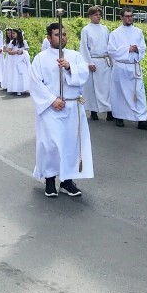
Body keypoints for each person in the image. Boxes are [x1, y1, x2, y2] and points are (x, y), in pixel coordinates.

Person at [30, 22, 93, 198]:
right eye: (58, 35)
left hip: (72, 107)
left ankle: (67, 182)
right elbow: (35, 83)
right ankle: (50, 181)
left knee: (70, 145)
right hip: (51, 109)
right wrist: (52, 100)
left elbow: (84, 74)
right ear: (49, 38)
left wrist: (69, 67)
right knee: (50, 145)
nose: (62, 37)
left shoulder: (74, 56)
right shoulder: (41, 58)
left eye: (64, 34)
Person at [107, 8, 147, 130]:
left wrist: (137, 49)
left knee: (139, 93)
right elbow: (111, 51)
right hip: (121, 66)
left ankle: (142, 120)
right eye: (127, 16)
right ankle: (119, 116)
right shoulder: (115, 34)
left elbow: (143, 47)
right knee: (120, 93)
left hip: (134, 66)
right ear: (122, 17)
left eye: (131, 16)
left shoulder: (138, 32)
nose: (129, 18)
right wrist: (127, 49)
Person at [79, 6, 113, 121]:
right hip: (93, 61)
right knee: (93, 88)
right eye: (95, 14)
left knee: (107, 87)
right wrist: (89, 62)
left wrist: (111, 61)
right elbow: (84, 47)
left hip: (104, 61)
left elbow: (109, 45)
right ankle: (93, 111)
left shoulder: (105, 29)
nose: (98, 16)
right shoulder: (86, 30)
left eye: (99, 14)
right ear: (90, 16)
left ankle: (109, 111)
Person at [4, 29, 30, 95]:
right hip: (14, 60)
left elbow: (27, 50)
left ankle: (23, 88)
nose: (12, 35)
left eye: (14, 33)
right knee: (15, 74)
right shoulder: (12, 42)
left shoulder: (24, 42)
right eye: (12, 33)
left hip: (22, 60)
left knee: (22, 73)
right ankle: (16, 88)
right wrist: (15, 52)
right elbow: (9, 52)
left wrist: (22, 51)